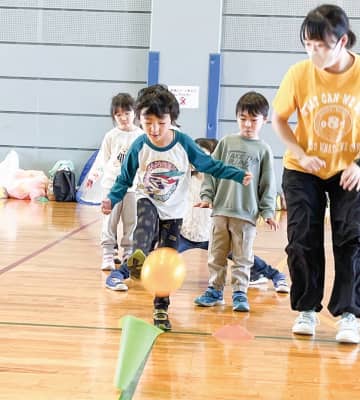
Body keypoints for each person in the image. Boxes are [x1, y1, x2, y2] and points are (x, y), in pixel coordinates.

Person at [101, 84, 252, 330]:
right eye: (147, 123)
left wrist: (236, 174)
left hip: (174, 212)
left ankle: (161, 310)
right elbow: (124, 178)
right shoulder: (139, 146)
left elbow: (209, 164)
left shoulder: (183, 143)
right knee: (145, 223)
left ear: (171, 119)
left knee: (166, 265)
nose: (154, 129)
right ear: (140, 120)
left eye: (160, 122)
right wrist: (111, 199)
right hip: (148, 198)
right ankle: (137, 257)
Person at [272, 4, 360, 344]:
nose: (313, 52)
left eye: (320, 45)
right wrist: (300, 153)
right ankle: (307, 309)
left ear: (343, 41)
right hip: (303, 169)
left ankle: (349, 313)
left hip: (349, 168)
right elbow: (279, 119)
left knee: (351, 238)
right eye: (308, 45)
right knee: (302, 238)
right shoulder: (298, 73)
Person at [194, 91, 279, 312]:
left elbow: (267, 184)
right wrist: (206, 196)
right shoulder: (225, 142)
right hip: (221, 211)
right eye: (243, 119)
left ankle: (240, 293)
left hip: (246, 215)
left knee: (243, 257)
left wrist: (268, 211)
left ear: (264, 120)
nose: (248, 124)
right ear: (236, 118)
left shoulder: (264, 150)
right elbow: (211, 171)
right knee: (217, 254)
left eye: (253, 119)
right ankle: (215, 290)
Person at [179, 137, 289, 293]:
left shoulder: (221, 180)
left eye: (204, 155)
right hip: (185, 233)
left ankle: (275, 275)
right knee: (159, 256)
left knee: (242, 256)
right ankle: (131, 273)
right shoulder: (185, 178)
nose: (199, 159)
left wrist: (264, 213)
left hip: (211, 234)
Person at [86, 93, 143, 273]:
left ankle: (128, 253)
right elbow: (103, 159)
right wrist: (93, 176)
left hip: (133, 187)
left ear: (134, 113)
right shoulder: (111, 136)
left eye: (127, 113)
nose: (123, 118)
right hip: (111, 185)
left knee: (131, 221)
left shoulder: (142, 135)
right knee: (110, 220)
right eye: (118, 115)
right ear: (114, 117)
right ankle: (108, 253)